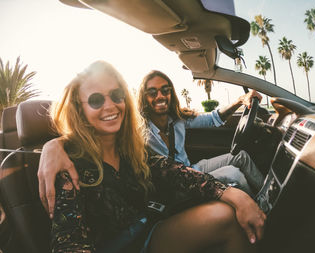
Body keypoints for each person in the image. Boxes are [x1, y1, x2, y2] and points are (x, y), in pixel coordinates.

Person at [43, 61, 266, 252]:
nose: (110, 105)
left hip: (149, 230)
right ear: (79, 110)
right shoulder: (69, 167)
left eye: (116, 95)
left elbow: (176, 172)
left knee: (228, 212)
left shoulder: (132, 150)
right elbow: (68, 239)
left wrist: (236, 196)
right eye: (95, 100)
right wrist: (55, 144)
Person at [137, 70, 265, 195]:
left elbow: (213, 118)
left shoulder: (179, 118)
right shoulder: (139, 130)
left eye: (165, 90)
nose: (160, 96)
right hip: (177, 184)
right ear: (144, 96)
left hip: (192, 168)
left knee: (240, 156)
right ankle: (260, 209)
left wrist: (240, 100)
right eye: (152, 92)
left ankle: (266, 196)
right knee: (233, 173)